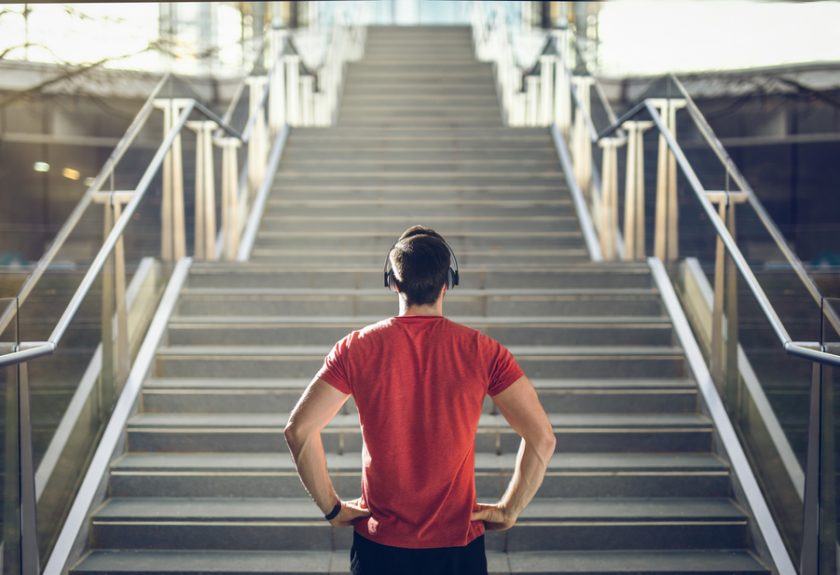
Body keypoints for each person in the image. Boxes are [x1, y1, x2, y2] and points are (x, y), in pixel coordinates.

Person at [284, 225, 556, 575]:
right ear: (448, 282)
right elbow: (542, 438)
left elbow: (298, 431)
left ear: (393, 282)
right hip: (458, 547)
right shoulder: (484, 352)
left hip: (380, 546)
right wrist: (509, 509)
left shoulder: (356, 348)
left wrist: (333, 509)